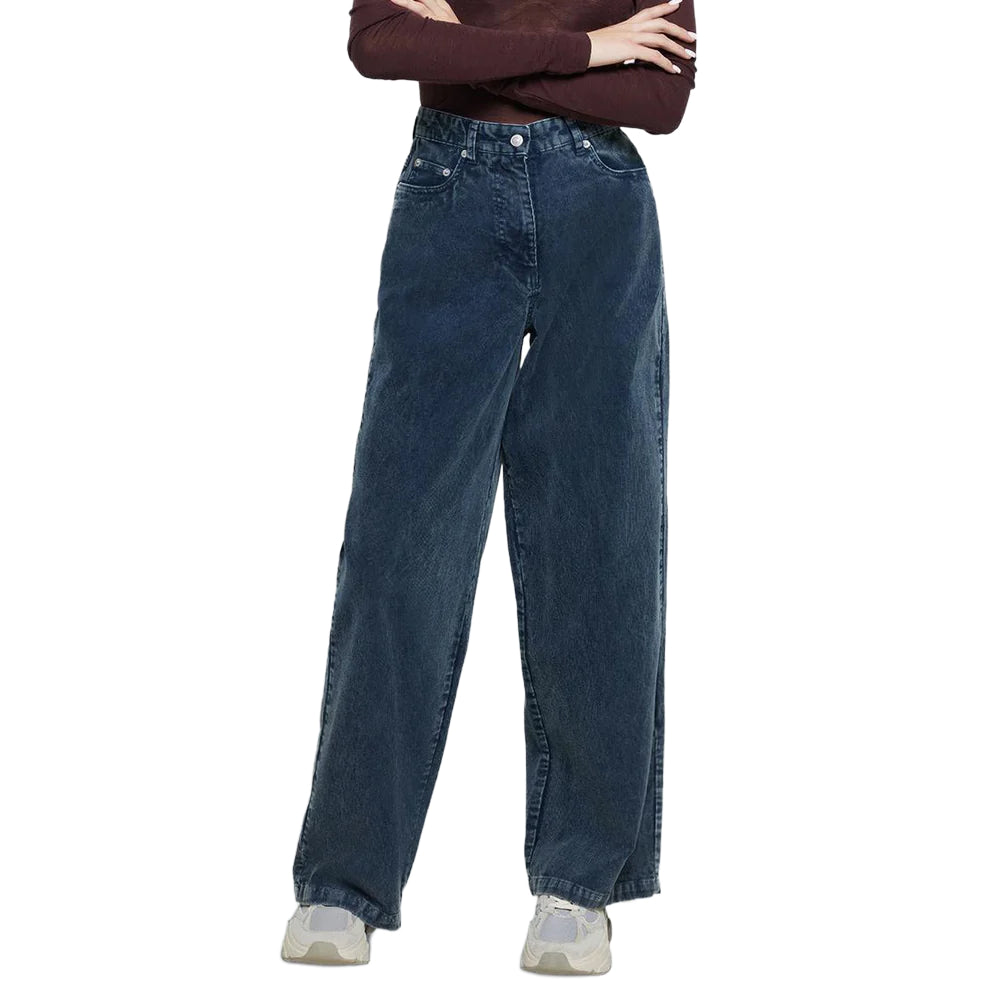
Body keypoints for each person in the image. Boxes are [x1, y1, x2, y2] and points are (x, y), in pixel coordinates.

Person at [281, 0, 697, 975]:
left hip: (599, 209)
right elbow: (379, 43)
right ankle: (343, 882)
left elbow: (660, 98)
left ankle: (579, 887)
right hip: (449, 197)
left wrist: (467, 50)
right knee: (398, 545)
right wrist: (586, 50)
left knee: (596, 540)